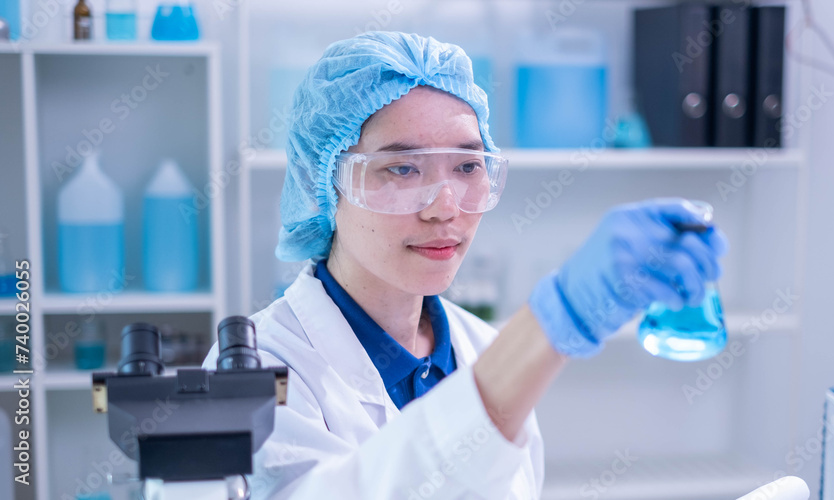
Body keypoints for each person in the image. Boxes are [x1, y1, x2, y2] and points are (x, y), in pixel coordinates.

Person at [203, 31, 727, 499]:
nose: (445, 207)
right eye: (402, 168)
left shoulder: (484, 348)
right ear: (325, 184)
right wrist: (554, 322)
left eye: (468, 166)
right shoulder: (259, 371)